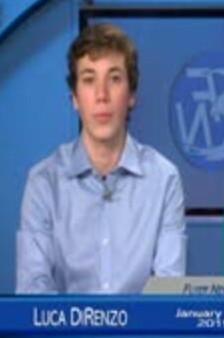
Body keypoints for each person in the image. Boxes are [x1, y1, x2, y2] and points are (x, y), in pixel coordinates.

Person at [16, 24, 187, 293]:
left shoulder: (164, 179)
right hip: (64, 323)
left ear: (131, 96)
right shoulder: (44, 182)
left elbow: (169, 291)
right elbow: (32, 291)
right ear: (74, 97)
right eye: (89, 80)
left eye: (114, 79)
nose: (101, 95)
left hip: (142, 323)